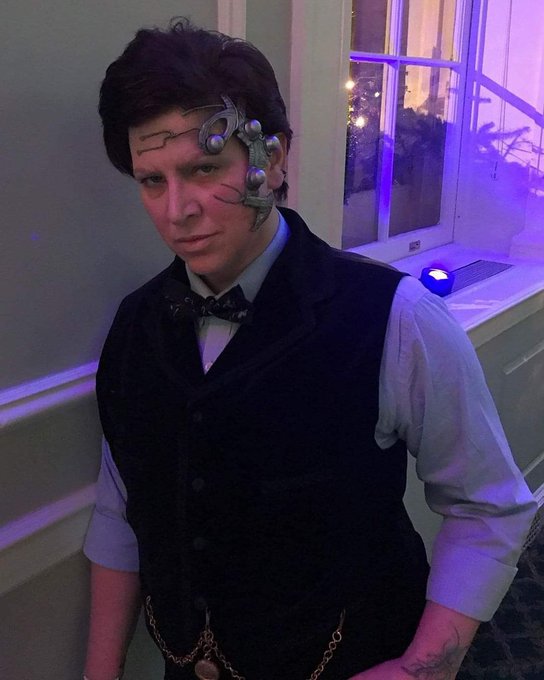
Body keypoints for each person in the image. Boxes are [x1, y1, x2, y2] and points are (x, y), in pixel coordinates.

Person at [83, 18, 537, 680]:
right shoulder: (134, 328)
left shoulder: (397, 317)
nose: (176, 211)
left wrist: (422, 669)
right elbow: (120, 510)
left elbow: (488, 505)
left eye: (204, 168)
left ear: (273, 159)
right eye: (153, 181)